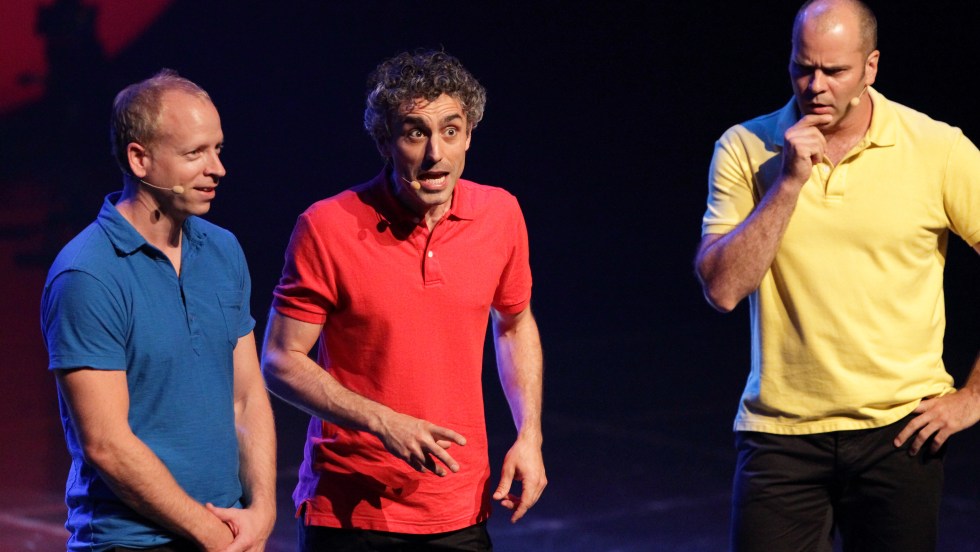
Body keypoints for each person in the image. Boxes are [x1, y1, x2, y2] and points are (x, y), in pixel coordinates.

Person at [694, 1, 980, 550]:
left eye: (834, 70)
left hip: (900, 432)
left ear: (871, 67)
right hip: (781, 432)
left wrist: (973, 397)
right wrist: (787, 184)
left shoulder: (937, 148)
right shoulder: (745, 147)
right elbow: (723, 290)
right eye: (803, 68)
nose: (816, 85)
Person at [261, 49, 546, 551]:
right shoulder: (327, 226)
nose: (436, 153)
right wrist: (384, 422)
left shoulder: (500, 214)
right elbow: (281, 360)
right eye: (415, 133)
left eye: (451, 131)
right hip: (350, 512)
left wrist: (530, 435)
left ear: (469, 135)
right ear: (385, 141)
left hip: (458, 505)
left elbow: (514, 323)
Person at [41, 69, 276, 552]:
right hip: (133, 541)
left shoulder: (223, 251)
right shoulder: (88, 274)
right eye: (195, 153)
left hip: (230, 530)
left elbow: (246, 395)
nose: (217, 168)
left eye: (218, 149)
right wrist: (212, 535)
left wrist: (263, 511)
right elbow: (107, 443)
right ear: (139, 159)